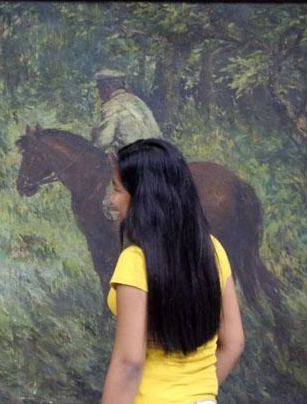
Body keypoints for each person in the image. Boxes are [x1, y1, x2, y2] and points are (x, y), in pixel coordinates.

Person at [102, 139, 244, 404]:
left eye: (117, 190)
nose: (112, 200)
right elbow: (233, 342)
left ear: (142, 197)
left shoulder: (135, 260)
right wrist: (196, 393)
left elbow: (130, 361)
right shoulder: (213, 249)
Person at [91, 69, 163, 220]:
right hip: (160, 154)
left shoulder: (111, 106)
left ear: (108, 87)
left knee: (110, 205)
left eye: (100, 88)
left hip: (136, 159)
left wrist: (96, 139)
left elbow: (103, 142)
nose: (99, 93)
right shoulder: (136, 101)